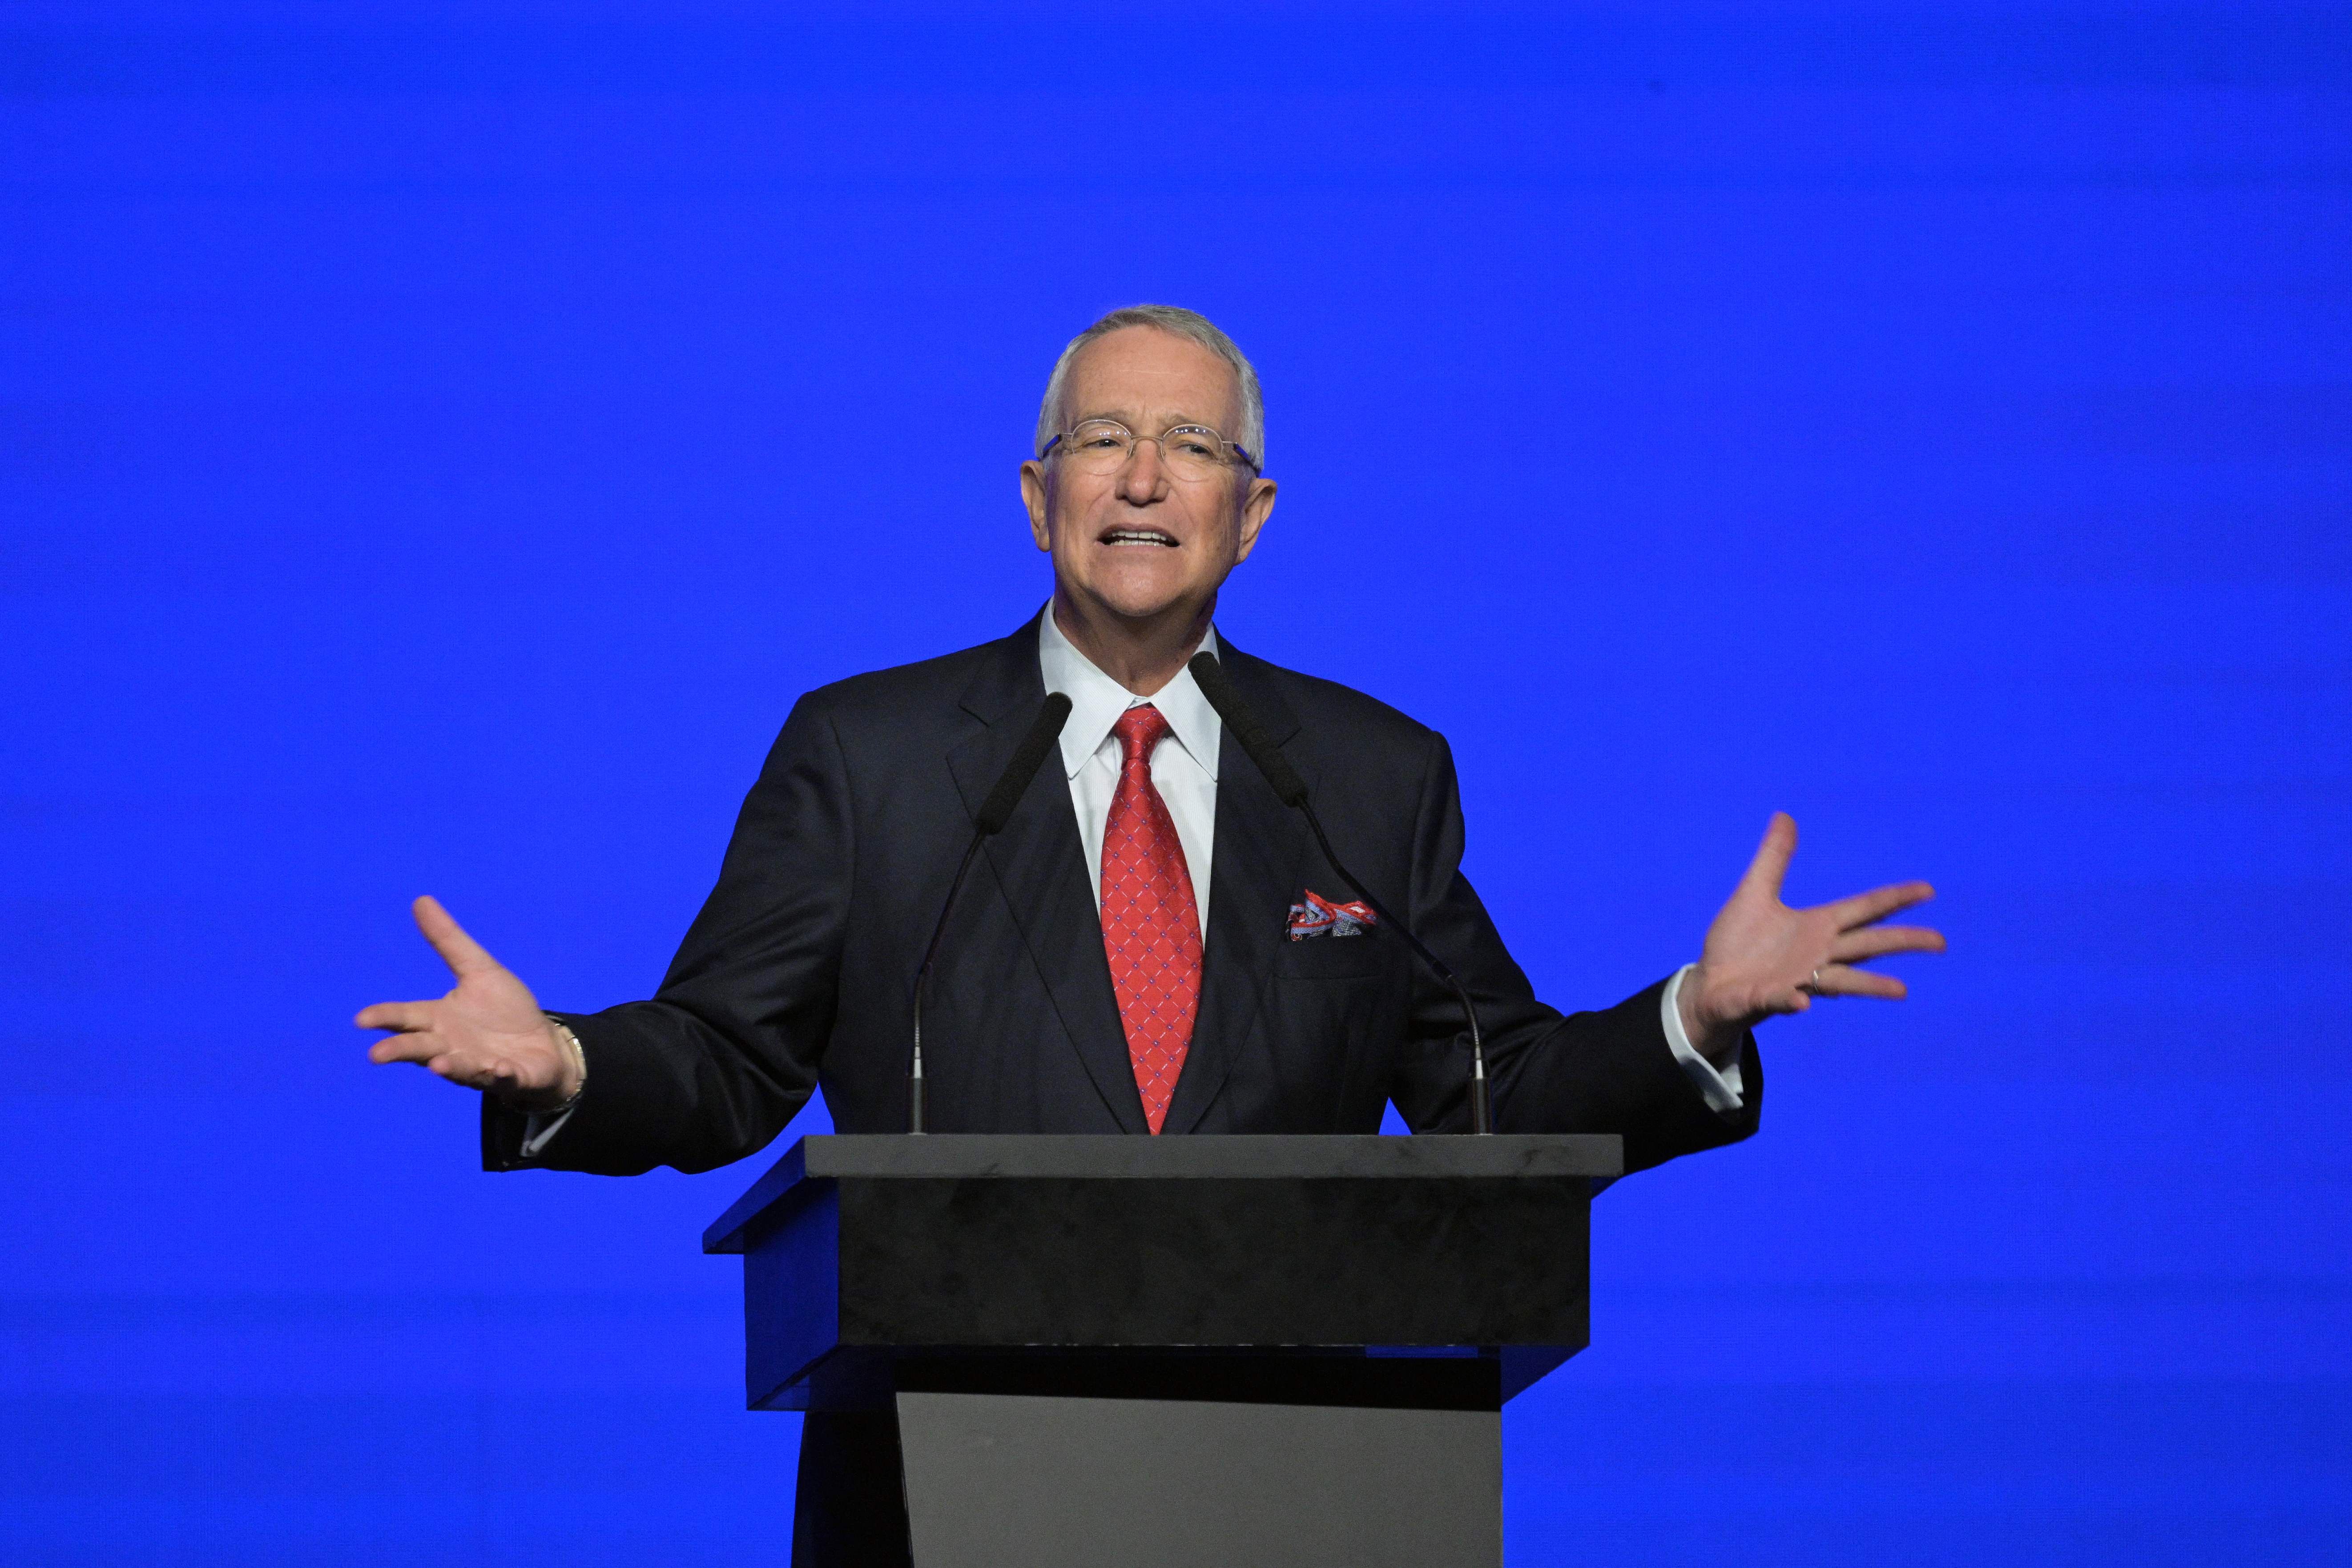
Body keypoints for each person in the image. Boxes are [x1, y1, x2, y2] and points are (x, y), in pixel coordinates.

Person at [357, 304, 1943, 1177]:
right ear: (1035, 497)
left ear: (1251, 519)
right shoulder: (873, 754)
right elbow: (723, 1062)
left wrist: (1698, 1013)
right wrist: (568, 1058)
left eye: (1190, 447)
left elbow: (1493, 1091)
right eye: (1100, 440)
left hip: (1293, 1455)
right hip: (943, 1443)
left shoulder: (1372, 777)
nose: (1139, 477)